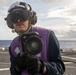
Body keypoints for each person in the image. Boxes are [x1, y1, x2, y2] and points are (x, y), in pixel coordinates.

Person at [5, 1, 65, 75]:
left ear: (31, 18)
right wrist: (18, 67)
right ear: (10, 23)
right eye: (13, 17)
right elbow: (13, 72)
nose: (18, 20)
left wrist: (43, 67)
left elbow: (60, 68)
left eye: (23, 15)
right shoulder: (13, 45)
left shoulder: (48, 36)